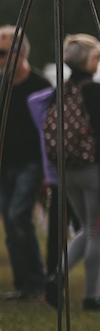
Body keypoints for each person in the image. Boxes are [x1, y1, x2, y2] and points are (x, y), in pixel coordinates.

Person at [45, 34, 100, 311]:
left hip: (66, 171)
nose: (99, 62)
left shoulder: (60, 90)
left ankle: (58, 275)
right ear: (88, 60)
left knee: (87, 228)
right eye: (97, 57)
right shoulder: (96, 91)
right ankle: (91, 297)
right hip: (92, 169)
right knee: (96, 231)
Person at [0, 26, 51, 301]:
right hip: (4, 165)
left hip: (31, 164)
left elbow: (49, 130)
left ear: (19, 54)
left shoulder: (41, 85)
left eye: (2, 53)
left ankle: (36, 280)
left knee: (19, 215)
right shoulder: (1, 84)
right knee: (10, 222)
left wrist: (48, 170)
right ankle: (24, 284)